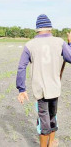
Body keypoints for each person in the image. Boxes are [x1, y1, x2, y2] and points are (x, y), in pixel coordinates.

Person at [16, 14, 71, 147]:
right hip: (54, 88)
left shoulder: (30, 45)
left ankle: (46, 145)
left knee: (43, 121)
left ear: (37, 29)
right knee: (52, 117)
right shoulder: (59, 42)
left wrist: (21, 89)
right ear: (50, 29)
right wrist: (69, 43)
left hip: (41, 91)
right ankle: (51, 143)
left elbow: (21, 67)